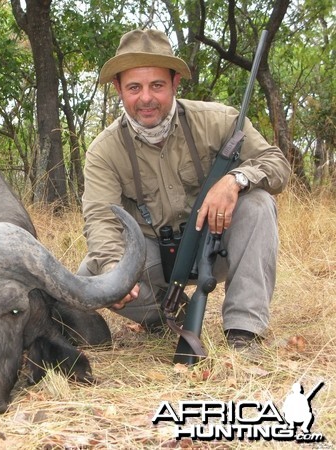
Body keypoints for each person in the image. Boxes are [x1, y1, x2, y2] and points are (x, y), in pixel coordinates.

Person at [77, 29, 291, 350]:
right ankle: (162, 315)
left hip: (214, 243)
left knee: (258, 204)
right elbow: (100, 220)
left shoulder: (219, 120)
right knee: (93, 275)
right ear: (118, 88)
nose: (146, 98)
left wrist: (236, 180)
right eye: (134, 87)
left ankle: (243, 333)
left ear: (175, 84)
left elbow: (276, 164)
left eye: (157, 85)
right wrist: (113, 271)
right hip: (151, 257)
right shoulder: (103, 150)